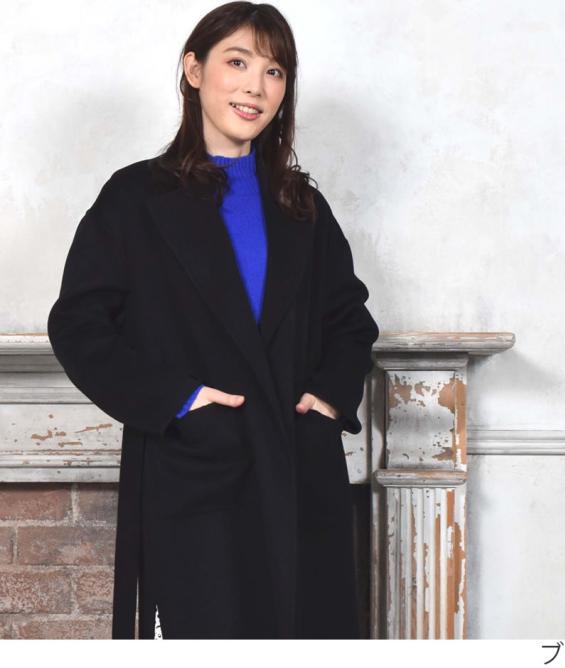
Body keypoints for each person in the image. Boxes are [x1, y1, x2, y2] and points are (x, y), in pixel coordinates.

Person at [47, 1, 379, 639]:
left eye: (275, 71)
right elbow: (79, 324)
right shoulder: (136, 197)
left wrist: (328, 402)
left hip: (298, 468)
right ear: (194, 70)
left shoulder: (302, 206)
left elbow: (350, 320)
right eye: (238, 62)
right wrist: (178, 400)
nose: (256, 86)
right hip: (193, 471)